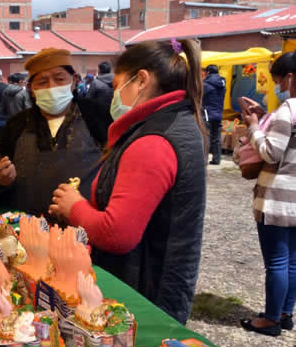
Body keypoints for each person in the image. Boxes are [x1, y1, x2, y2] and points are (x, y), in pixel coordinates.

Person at [49, 39, 207, 324]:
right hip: (161, 284)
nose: (114, 95)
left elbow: (118, 233)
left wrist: (75, 207)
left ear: (142, 80)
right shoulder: (174, 123)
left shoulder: (154, 140)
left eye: (117, 85)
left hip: (144, 295)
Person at [0, 48, 107, 221]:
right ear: (31, 88)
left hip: (85, 232)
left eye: (59, 79)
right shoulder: (17, 125)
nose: (51, 87)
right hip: (27, 232)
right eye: (42, 82)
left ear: (74, 81)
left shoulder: (98, 117)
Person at [239, 52, 296, 337]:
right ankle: (285, 313)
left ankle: (271, 319)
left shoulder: (288, 110)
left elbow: (270, 153)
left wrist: (252, 128)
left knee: (276, 262)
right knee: (293, 262)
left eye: (277, 79)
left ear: (289, 77)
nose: (278, 86)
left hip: (277, 199)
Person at [203, 65, 226, 165]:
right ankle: (217, 159)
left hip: (207, 113)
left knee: (206, 136)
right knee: (216, 137)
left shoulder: (206, 84)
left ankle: (204, 159)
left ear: (208, 72)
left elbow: (200, 96)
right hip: (218, 113)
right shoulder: (222, 84)